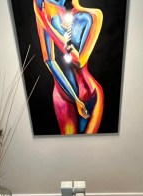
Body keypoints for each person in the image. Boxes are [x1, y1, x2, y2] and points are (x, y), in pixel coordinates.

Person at [33, 0, 104, 134]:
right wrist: (75, 99)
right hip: (63, 97)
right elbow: (49, 61)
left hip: (91, 94)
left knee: (92, 144)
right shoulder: (45, 12)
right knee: (67, 144)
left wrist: (47, 26)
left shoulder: (93, 16)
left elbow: (79, 60)